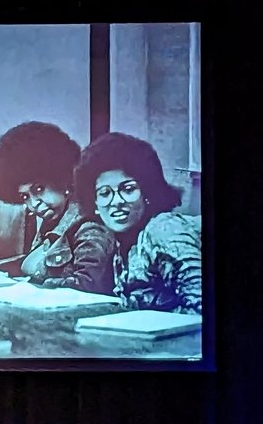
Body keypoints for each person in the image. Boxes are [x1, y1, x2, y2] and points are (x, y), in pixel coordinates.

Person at [72, 132, 202, 313]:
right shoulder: (121, 244)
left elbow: (202, 309)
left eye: (128, 189)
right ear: (94, 204)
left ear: (147, 192)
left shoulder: (163, 230)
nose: (116, 201)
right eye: (105, 193)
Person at [0, 121, 116, 293]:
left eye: (39, 189)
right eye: (25, 196)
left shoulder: (90, 226)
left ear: (62, 178)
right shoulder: (51, 225)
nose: (34, 204)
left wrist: (29, 288)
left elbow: (88, 285)